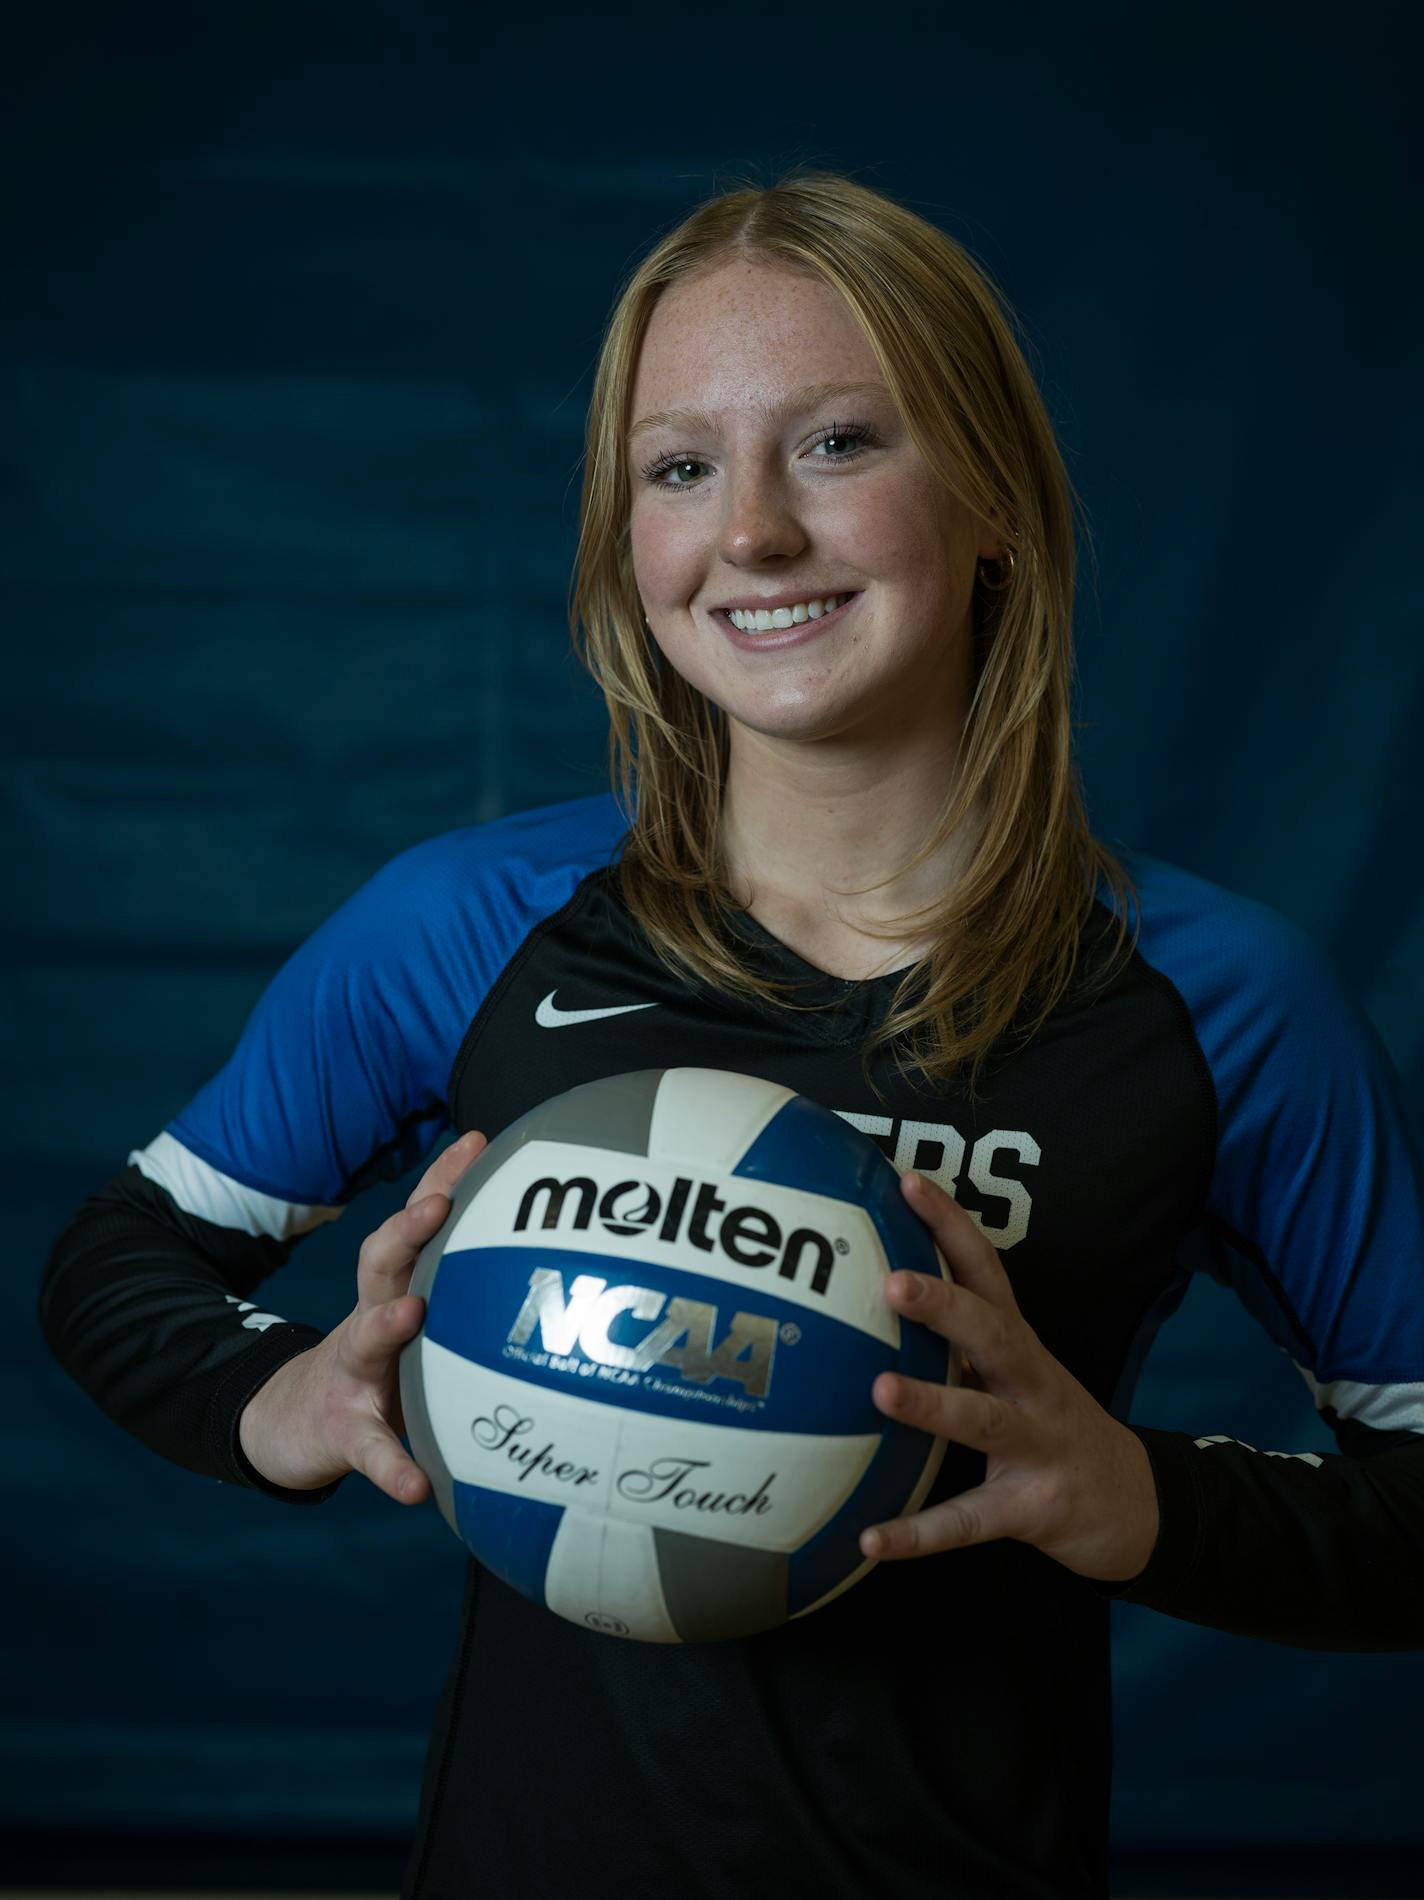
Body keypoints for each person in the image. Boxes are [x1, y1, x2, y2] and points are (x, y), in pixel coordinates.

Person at [39, 168, 1424, 1899]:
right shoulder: (468, 926)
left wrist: (1134, 1496)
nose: (751, 532)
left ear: (994, 499)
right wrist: (284, 1392)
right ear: (632, 546)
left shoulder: (1219, 1003)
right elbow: (118, 1255)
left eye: (837, 444)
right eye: (679, 467)